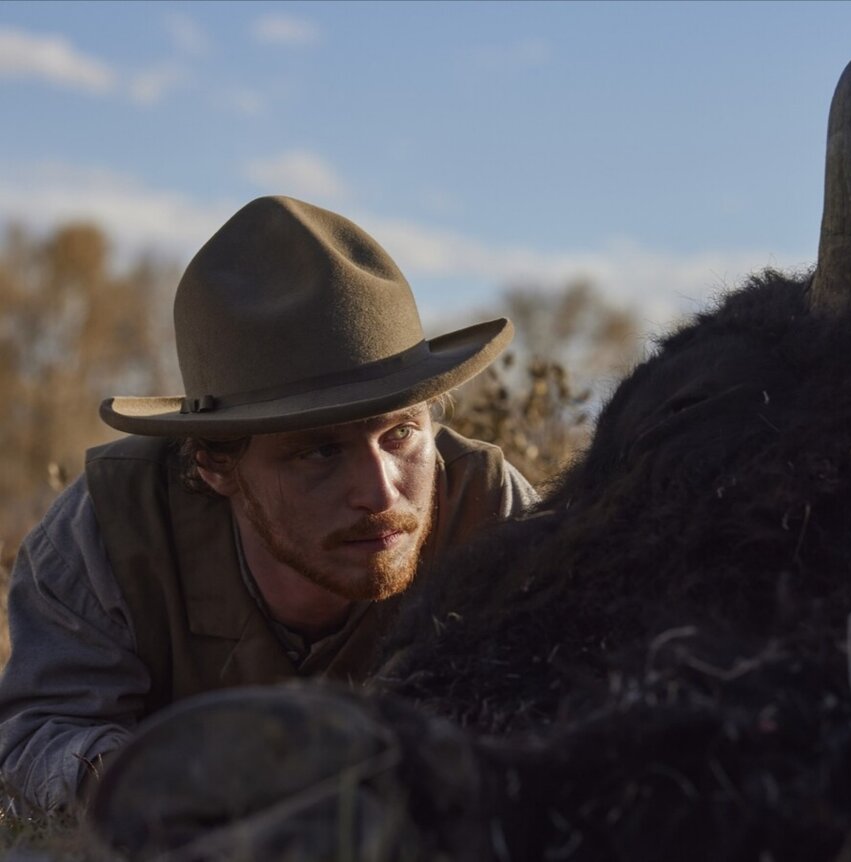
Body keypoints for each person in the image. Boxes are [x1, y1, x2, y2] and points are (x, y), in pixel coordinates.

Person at [0, 196, 538, 811]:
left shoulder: (493, 514)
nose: (380, 491)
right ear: (213, 462)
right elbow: (38, 734)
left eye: (400, 434)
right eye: (320, 452)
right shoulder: (111, 531)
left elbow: (582, 706)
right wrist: (184, 786)